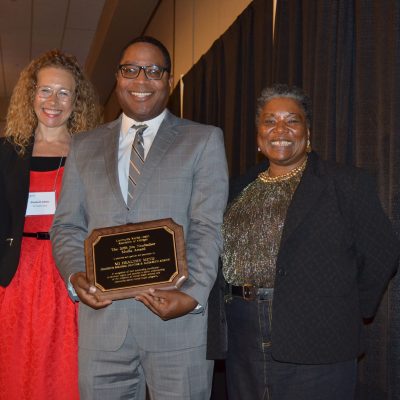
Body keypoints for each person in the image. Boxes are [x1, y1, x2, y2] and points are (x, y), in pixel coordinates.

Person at [51, 36, 228, 400]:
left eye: (152, 70)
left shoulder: (203, 140)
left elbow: (208, 227)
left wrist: (192, 295)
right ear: (117, 78)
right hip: (104, 329)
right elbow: (67, 226)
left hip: (177, 325)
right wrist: (76, 275)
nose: (141, 80)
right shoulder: (83, 147)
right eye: (130, 70)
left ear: (168, 78)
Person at [214, 83, 399, 400]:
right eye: (270, 121)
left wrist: (347, 306)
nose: (280, 129)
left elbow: (382, 252)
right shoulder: (234, 189)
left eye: (292, 120)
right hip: (241, 333)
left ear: (308, 132)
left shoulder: (345, 183)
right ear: (259, 136)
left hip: (318, 335)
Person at [0, 50, 101, 399]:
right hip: (15, 274)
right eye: (45, 91)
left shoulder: (92, 152)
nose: (53, 101)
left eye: (64, 93)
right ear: (31, 95)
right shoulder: (5, 152)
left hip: (68, 269)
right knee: (14, 365)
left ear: (77, 101)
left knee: (65, 369)